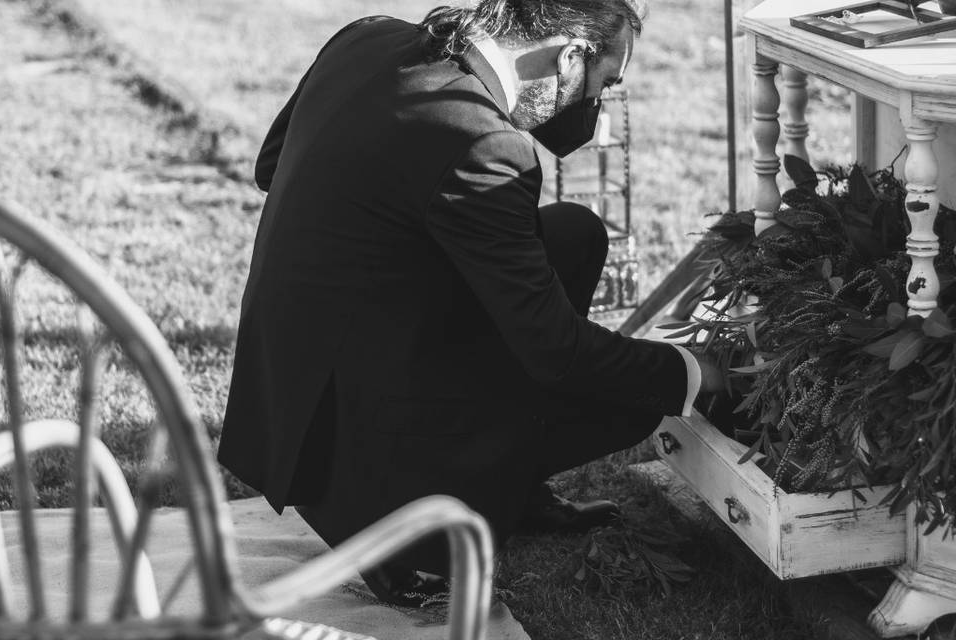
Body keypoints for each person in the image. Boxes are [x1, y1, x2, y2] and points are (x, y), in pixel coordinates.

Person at [218, 0, 723, 606]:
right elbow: (559, 354)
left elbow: (270, 165)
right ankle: (396, 535)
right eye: (603, 84)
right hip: (349, 444)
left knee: (574, 236)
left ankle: (516, 491)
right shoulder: (481, 142)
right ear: (567, 57)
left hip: (291, 381)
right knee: (628, 405)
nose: (596, 109)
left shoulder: (367, 38)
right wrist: (694, 371)